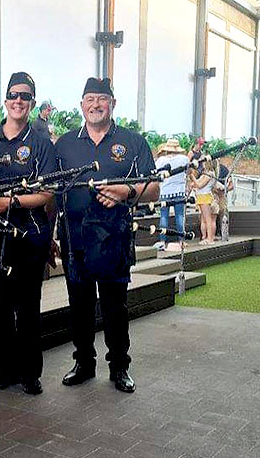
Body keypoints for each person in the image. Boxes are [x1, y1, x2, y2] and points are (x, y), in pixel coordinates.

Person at [54, 77, 158, 394]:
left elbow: (152, 187)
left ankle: (119, 367)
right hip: (75, 240)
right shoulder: (65, 144)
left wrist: (126, 191)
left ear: (113, 103)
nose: (95, 104)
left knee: (115, 307)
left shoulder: (133, 141)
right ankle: (84, 363)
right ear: (81, 105)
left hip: (113, 238)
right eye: (89, 99)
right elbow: (52, 191)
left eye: (102, 99)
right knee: (80, 307)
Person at [0, 72, 55, 396]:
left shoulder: (40, 143)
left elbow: (47, 192)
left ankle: (30, 373)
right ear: (5, 100)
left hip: (28, 236)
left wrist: (10, 202)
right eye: (13, 95)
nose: (18, 101)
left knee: (28, 306)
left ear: (32, 103)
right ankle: (3, 370)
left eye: (25, 96)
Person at [153, 138, 190, 251]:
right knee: (180, 216)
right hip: (179, 190)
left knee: (164, 216)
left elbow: (157, 175)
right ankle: (181, 241)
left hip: (164, 191)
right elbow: (187, 172)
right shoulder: (184, 159)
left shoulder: (160, 160)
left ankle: (162, 241)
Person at [191, 162, 218, 244]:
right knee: (204, 219)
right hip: (201, 197)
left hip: (205, 197)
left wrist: (192, 176)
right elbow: (196, 184)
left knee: (208, 219)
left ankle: (210, 239)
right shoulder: (205, 174)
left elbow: (199, 185)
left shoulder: (209, 174)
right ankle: (206, 237)